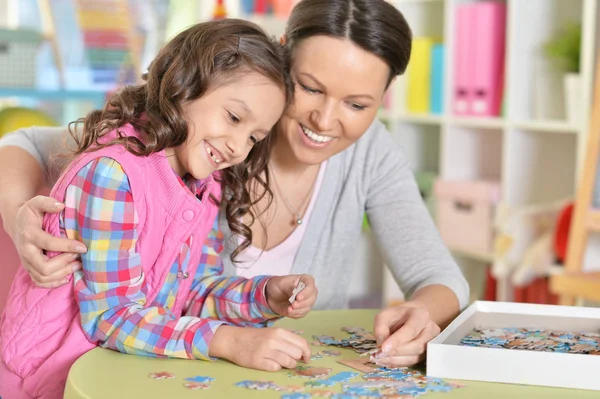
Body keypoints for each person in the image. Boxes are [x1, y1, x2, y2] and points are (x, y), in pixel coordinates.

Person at [0, 0, 468, 370]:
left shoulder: (214, 173)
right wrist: (21, 215)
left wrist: (267, 295)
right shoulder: (159, 150)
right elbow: (28, 143)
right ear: (281, 59)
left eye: (358, 104)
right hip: (85, 369)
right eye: (309, 87)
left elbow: (196, 289)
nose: (325, 119)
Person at [0, 19, 319, 399]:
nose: (237, 147)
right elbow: (111, 318)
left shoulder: (206, 183)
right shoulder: (113, 174)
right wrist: (230, 342)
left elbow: (191, 293)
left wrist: (263, 296)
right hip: (48, 383)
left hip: (121, 376)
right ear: (183, 86)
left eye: (253, 137)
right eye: (233, 117)